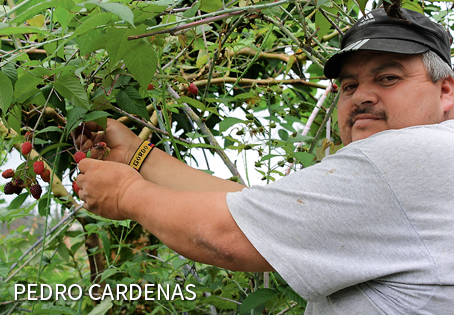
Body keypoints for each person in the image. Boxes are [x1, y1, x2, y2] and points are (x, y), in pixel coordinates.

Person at [75, 8, 454, 314]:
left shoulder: (399, 157)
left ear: (446, 90)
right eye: (349, 86)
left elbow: (229, 236)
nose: (361, 97)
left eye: (388, 78)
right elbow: (254, 213)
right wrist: (137, 156)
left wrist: (126, 193)